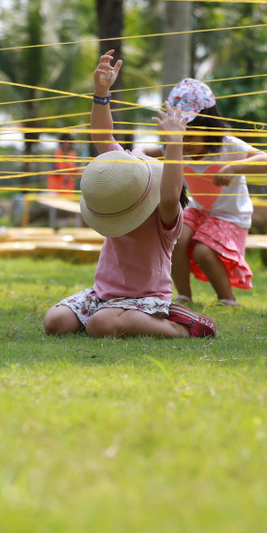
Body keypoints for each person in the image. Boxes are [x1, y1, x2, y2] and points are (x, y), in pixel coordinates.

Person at [42, 50, 217, 339]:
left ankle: (181, 326)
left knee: (100, 325)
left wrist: (175, 143)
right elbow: (103, 138)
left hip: (147, 300)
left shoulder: (164, 217)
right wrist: (101, 93)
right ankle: (113, 317)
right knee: (55, 321)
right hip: (102, 296)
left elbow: (171, 194)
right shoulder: (120, 193)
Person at [163, 78, 267, 306]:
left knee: (203, 252)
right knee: (175, 238)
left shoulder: (228, 146)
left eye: (191, 136)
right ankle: (184, 297)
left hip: (231, 217)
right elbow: (152, 151)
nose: (185, 144)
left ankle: (227, 299)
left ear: (209, 128)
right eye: (181, 137)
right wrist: (137, 152)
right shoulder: (178, 147)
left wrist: (233, 167)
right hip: (199, 211)